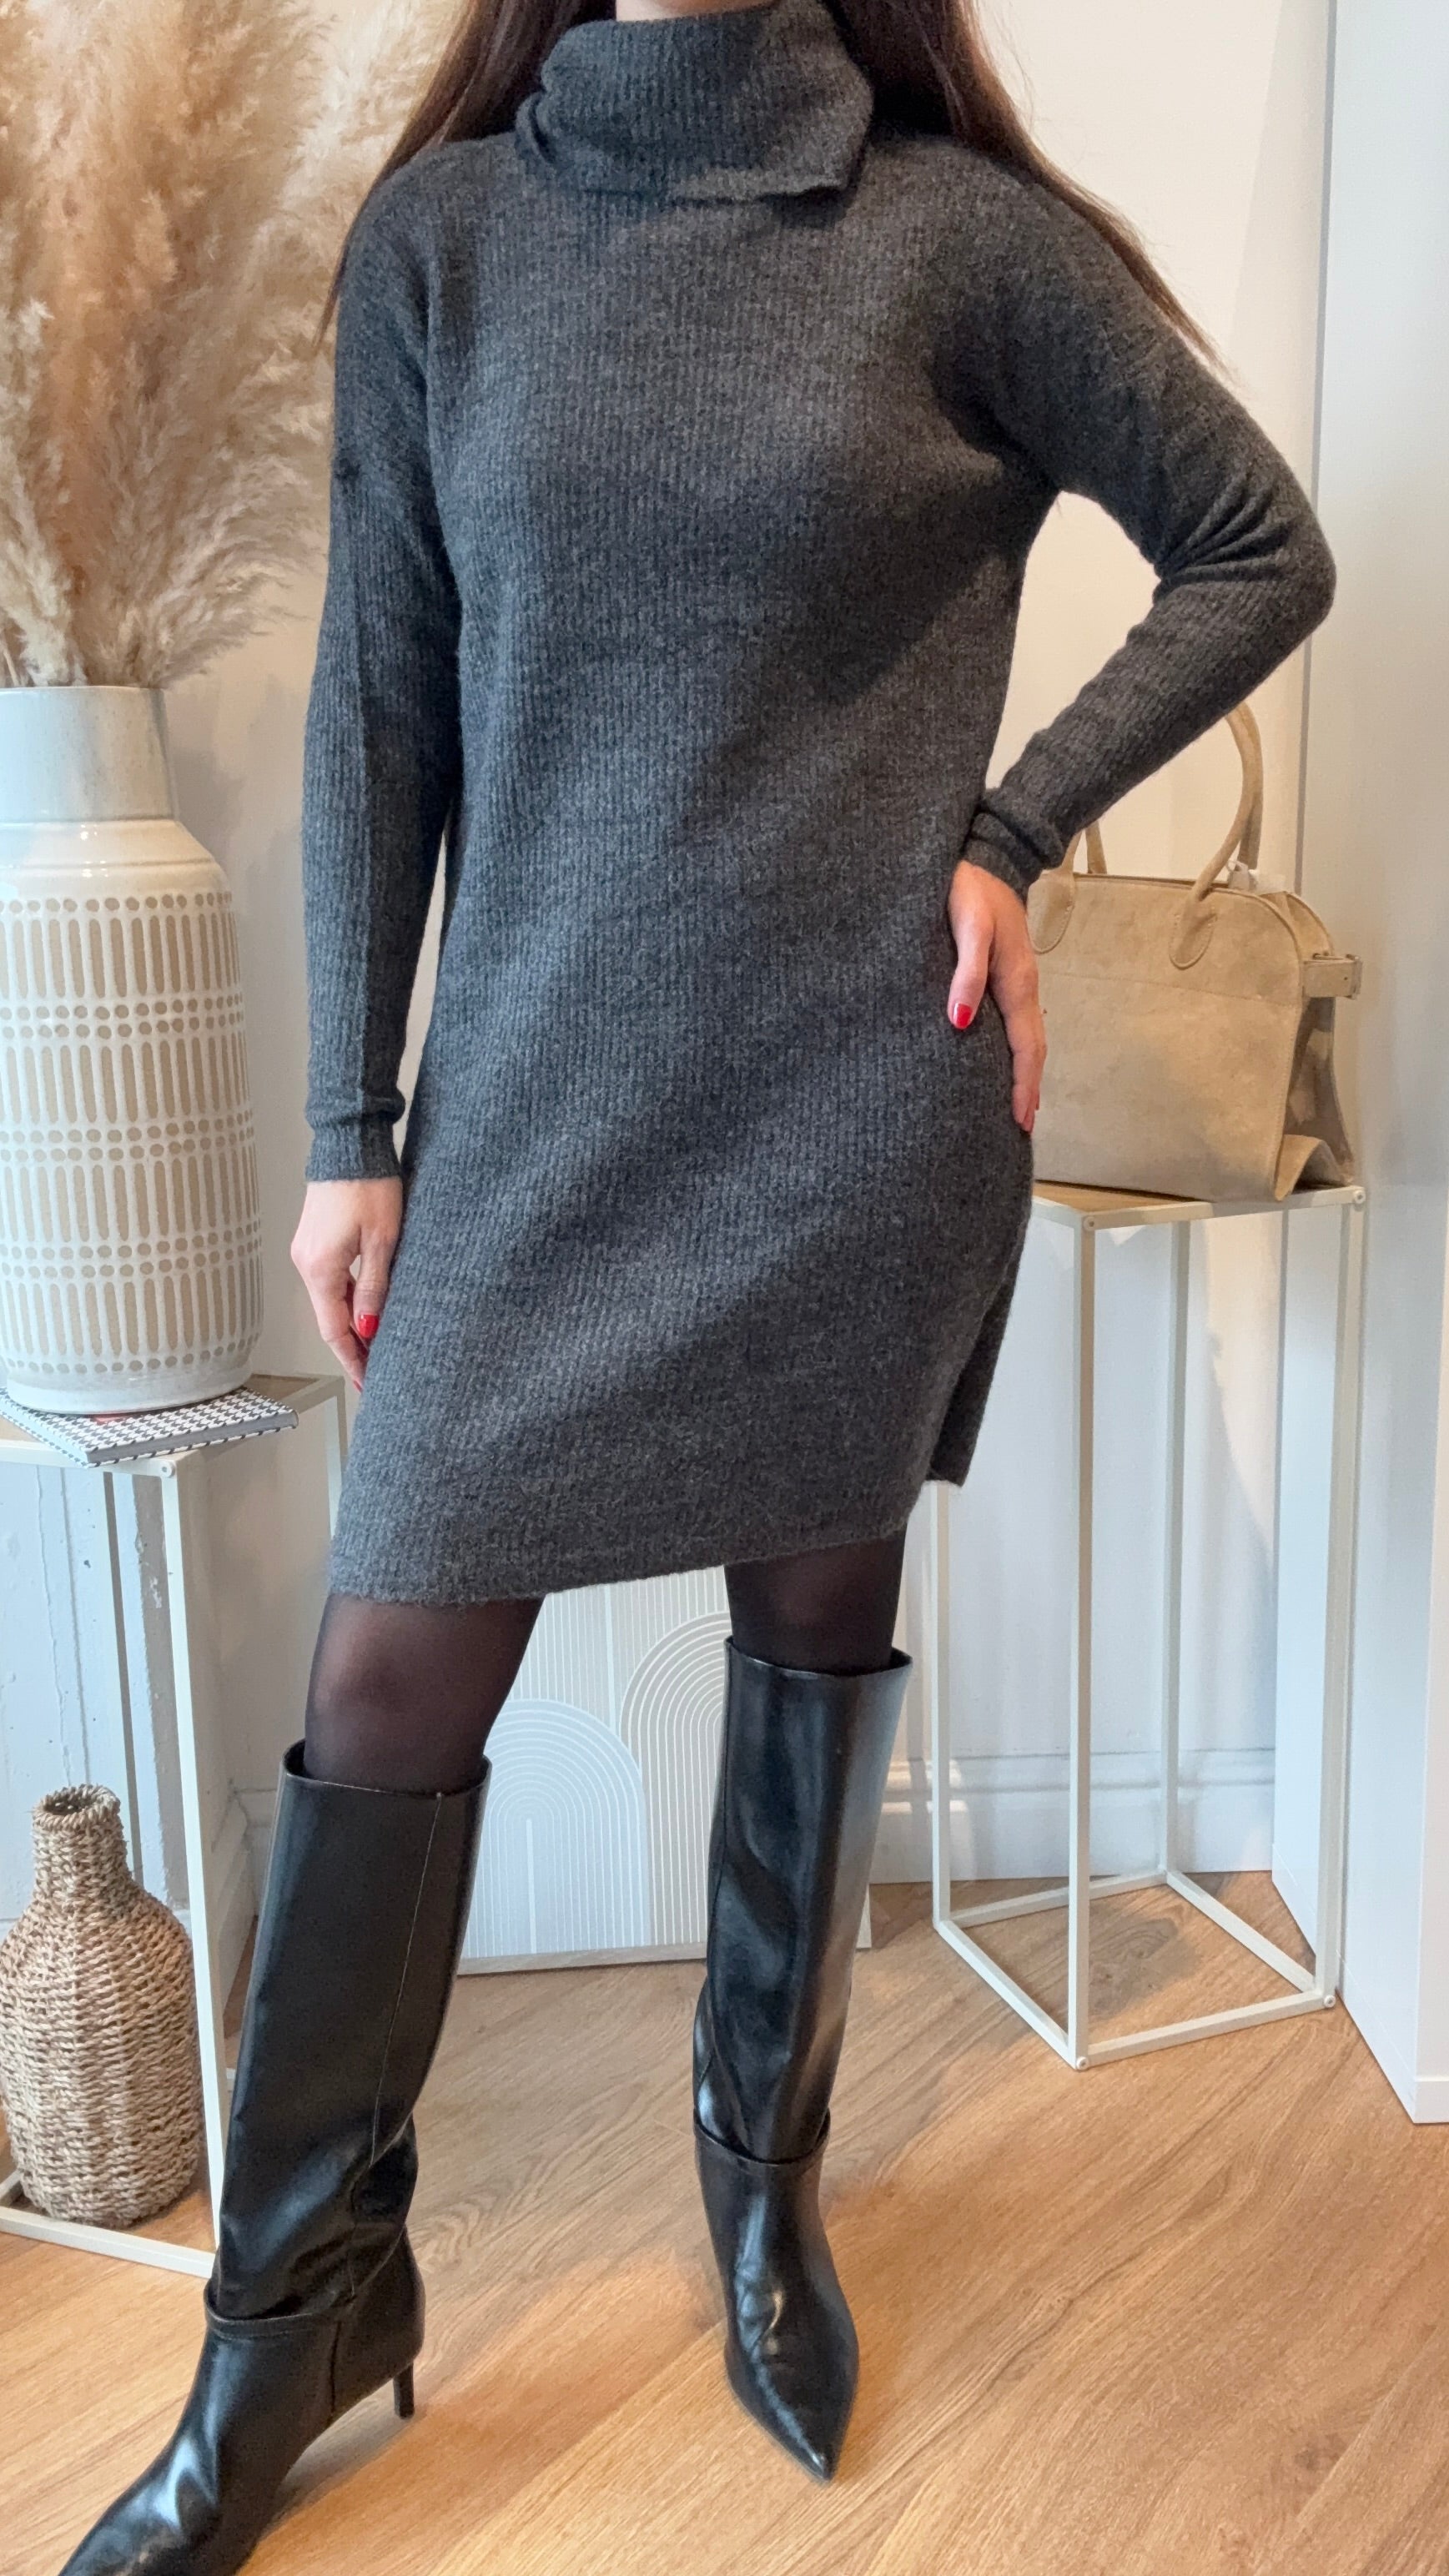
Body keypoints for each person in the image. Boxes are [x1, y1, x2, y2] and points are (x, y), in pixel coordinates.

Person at [60, 0, 1336, 2565]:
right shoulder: (445, 242)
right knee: (389, 1682)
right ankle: (296, 2311)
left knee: (813, 1621)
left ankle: (764, 2183)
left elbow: (1254, 541)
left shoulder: (957, 244)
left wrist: (1011, 829)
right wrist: (348, 1134)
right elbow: (379, 708)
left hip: (854, 1098)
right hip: (535, 1106)